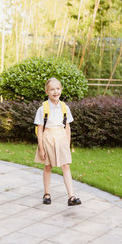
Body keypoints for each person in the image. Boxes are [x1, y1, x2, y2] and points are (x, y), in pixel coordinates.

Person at [34, 77, 81, 206]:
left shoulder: (64, 108)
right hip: (47, 138)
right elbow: (40, 129)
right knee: (48, 166)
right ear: (47, 92)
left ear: (61, 90)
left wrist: (68, 143)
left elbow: (67, 127)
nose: (55, 92)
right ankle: (46, 193)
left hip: (61, 139)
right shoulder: (42, 109)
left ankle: (71, 196)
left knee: (65, 166)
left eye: (58, 88)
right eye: (52, 89)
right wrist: (41, 147)